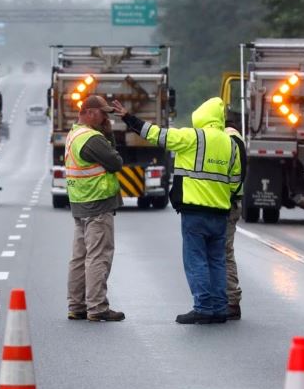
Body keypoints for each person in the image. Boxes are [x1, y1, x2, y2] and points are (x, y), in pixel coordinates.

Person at [112, 97, 241, 324]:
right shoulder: (230, 143)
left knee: (196, 260)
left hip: (195, 212)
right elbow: (235, 180)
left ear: (201, 116)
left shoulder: (193, 137)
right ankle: (220, 308)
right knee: (217, 260)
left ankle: (203, 307)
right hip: (221, 212)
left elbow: (156, 134)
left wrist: (127, 117)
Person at [64, 95, 125, 322]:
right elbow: (116, 162)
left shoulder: (74, 134)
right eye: (103, 113)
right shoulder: (92, 138)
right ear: (89, 112)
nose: (105, 118)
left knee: (79, 257)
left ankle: (76, 306)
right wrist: (108, 134)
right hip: (97, 202)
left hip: (80, 202)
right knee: (98, 256)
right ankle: (97, 307)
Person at [224, 123, 246, 320]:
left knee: (223, 252)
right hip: (233, 203)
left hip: (227, 205)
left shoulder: (228, 140)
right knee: (225, 252)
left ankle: (231, 301)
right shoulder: (238, 139)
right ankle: (229, 300)